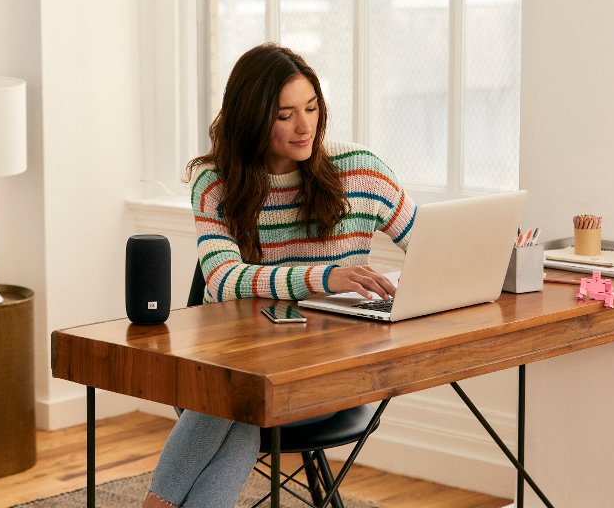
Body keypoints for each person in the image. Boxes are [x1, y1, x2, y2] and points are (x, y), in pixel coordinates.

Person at [142, 43, 417, 508]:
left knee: (236, 395)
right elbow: (224, 279)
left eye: (311, 107)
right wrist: (327, 277)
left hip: (326, 379)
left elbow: (435, 246)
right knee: (244, 395)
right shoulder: (216, 182)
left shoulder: (362, 173)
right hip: (240, 376)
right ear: (251, 118)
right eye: (285, 114)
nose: (305, 125)